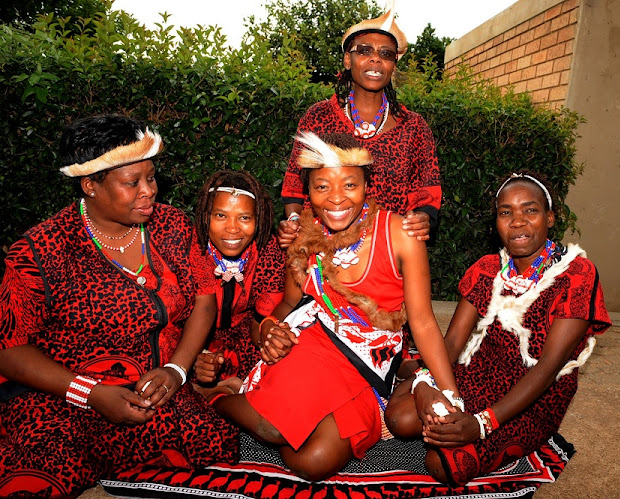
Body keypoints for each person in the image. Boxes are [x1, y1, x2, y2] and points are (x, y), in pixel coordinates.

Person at [199, 132, 461, 481]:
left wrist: (451, 394)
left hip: (372, 361)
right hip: (314, 342)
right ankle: (214, 395)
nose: (336, 199)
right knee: (273, 430)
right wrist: (267, 329)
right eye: (322, 187)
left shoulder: (400, 233)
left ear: (368, 185)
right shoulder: (304, 235)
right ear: (307, 193)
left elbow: (424, 323)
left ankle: (270, 400)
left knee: (312, 462)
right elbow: (290, 303)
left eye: (349, 184)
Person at [0, 115, 237, 498]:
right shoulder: (41, 249)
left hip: (153, 389)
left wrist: (176, 370)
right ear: (89, 185)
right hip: (65, 395)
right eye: (131, 183)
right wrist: (90, 393)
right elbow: (9, 350)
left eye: (151, 177)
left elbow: (204, 301)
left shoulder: (173, 227)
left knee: (211, 440)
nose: (149, 192)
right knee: (44, 470)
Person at [385, 171, 611, 485]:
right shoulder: (487, 269)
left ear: (550, 217)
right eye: (506, 213)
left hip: (533, 396)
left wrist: (482, 424)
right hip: (477, 374)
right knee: (400, 419)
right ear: (497, 223)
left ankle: (409, 372)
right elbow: (451, 345)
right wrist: (426, 384)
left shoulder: (575, 274)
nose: (517, 221)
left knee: (445, 464)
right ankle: (413, 373)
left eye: (530, 210)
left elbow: (547, 368)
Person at [278, 0, 441, 248]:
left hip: (387, 252)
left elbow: (427, 195)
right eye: (364, 50)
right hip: (322, 251)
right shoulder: (318, 117)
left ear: (393, 66)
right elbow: (294, 187)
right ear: (347, 59)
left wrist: (423, 218)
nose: (375, 59)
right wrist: (293, 221)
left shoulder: (414, 128)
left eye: (386, 54)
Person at [191, 171, 285, 385]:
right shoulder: (189, 251)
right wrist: (198, 357)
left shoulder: (269, 254)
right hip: (190, 340)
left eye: (244, 217)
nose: (232, 228)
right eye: (220, 215)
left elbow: (260, 323)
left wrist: (270, 341)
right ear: (205, 216)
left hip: (244, 336)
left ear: (258, 219)